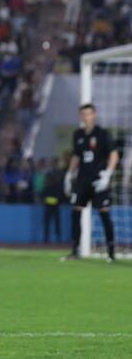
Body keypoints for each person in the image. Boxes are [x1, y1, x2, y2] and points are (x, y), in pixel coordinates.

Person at [63, 103, 119, 262]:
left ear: (94, 115)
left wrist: (108, 174)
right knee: (76, 213)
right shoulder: (78, 134)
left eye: (89, 114)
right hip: (82, 181)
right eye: (83, 114)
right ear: (80, 116)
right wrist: (69, 174)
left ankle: (111, 253)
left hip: (99, 181)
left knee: (104, 214)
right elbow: (76, 156)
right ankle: (75, 251)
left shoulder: (102, 134)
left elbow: (114, 155)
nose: (86, 117)